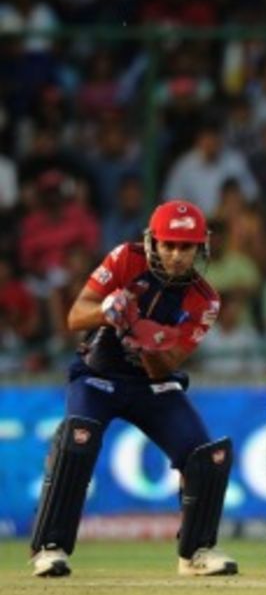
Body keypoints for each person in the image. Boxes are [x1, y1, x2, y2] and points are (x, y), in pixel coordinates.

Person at [29, 200, 237, 578]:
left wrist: (145, 342)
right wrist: (107, 310)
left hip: (152, 386)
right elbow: (75, 316)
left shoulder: (205, 299)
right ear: (153, 241)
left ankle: (196, 553)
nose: (177, 255)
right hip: (98, 377)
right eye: (169, 245)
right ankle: (50, 548)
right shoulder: (126, 258)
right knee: (78, 440)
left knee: (207, 457)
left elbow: (167, 367)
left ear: (201, 248)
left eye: (186, 247)